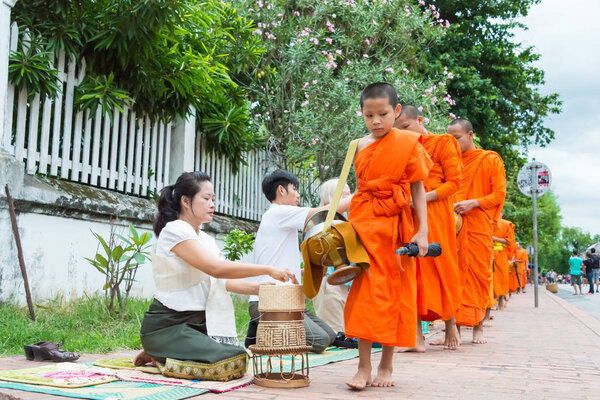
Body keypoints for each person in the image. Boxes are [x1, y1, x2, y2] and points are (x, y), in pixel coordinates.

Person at [133, 172, 297, 381]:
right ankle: (159, 351)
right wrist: (267, 269)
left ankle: (164, 352)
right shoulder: (174, 231)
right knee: (232, 360)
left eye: (213, 199)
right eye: (206, 198)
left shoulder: (205, 239)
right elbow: (216, 269)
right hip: (168, 325)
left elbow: (222, 281)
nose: (212, 204)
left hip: (200, 324)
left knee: (240, 357)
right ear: (185, 201)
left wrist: (259, 288)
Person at [344, 83, 432, 389]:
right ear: (362, 114)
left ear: (396, 111)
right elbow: (358, 188)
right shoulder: (358, 145)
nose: (376, 121)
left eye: (383, 113)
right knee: (365, 297)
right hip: (365, 225)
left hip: (396, 227)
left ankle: (387, 364)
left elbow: (418, 189)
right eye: (369, 115)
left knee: (394, 295)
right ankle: (363, 365)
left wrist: (423, 231)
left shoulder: (408, 143)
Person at [245, 169, 352, 353]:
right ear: (281, 190)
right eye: (294, 189)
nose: (298, 194)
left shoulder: (280, 220)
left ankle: (261, 328)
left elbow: (282, 264)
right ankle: (263, 332)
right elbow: (324, 213)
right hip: (271, 302)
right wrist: (360, 196)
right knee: (320, 341)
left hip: (287, 301)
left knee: (331, 335)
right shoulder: (278, 213)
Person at [393, 105, 462, 351]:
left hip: (437, 211)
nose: (404, 133)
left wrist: (424, 198)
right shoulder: (400, 146)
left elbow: (454, 183)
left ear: (419, 120)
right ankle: (417, 335)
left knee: (441, 266)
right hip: (409, 212)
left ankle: (450, 321)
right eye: (398, 130)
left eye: (406, 127)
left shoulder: (443, 142)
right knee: (413, 270)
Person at [448, 118, 506, 345]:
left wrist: (473, 203)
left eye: (457, 138)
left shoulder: (489, 159)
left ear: (471, 135)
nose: (453, 143)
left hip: (478, 226)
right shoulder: (449, 161)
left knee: (480, 276)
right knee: (454, 277)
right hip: (453, 227)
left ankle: (478, 327)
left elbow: (498, 195)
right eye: (450, 139)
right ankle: (454, 330)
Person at [312, 179, 353, 336]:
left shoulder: (350, 218)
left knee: (349, 331)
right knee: (335, 331)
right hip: (329, 281)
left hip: (349, 280)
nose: (350, 196)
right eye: (346, 193)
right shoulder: (321, 220)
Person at [492, 217, 516, 310]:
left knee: (501, 277)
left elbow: (509, 241)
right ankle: (492, 302)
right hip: (488, 252)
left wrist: (494, 238)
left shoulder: (506, 224)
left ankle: (501, 300)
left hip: (501, 254)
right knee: (491, 278)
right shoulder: (487, 220)